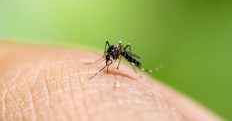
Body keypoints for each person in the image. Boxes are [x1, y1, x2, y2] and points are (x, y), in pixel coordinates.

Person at [0, 42, 222, 121]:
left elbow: (117, 52)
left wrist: (115, 67)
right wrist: (101, 61)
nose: (108, 58)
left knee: (122, 54)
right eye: (108, 57)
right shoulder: (109, 51)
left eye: (108, 57)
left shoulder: (118, 54)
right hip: (115, 52)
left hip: (123, 56)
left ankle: (129, 69)